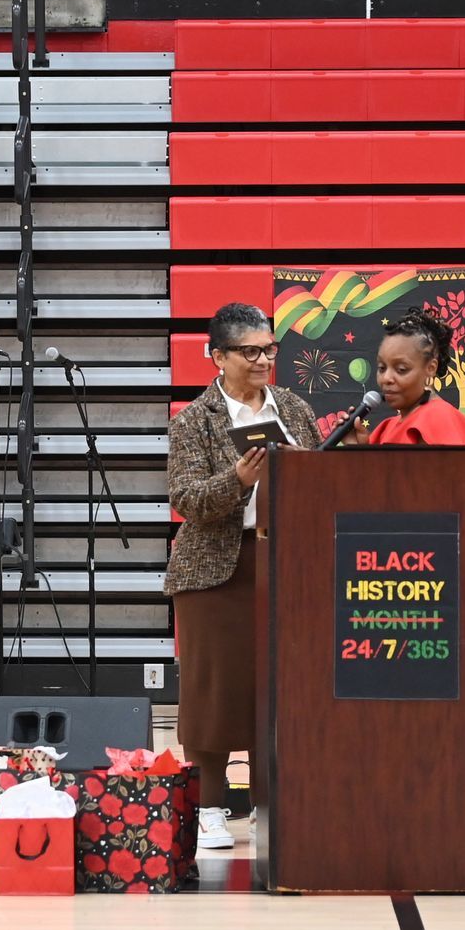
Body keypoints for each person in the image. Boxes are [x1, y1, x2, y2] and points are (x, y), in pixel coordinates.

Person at [164, 303, 322, 849]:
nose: (262, 360)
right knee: (213, 691)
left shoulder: (295, 409)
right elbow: (186, 499)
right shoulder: (193, 420)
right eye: (249, 351)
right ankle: (209, 808)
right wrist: (237, 478)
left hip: (284, 565)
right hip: (214, 573)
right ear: (219, 356)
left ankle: (267, 806)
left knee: (276, 690)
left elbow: (321, 486)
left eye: (268, 349)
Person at [347, 306, 465, 447]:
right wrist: (357, 448)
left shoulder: (437, 419)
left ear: (430, 368)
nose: (386, 378)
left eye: (401, 369)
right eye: (382, 368)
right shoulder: (387, 427)